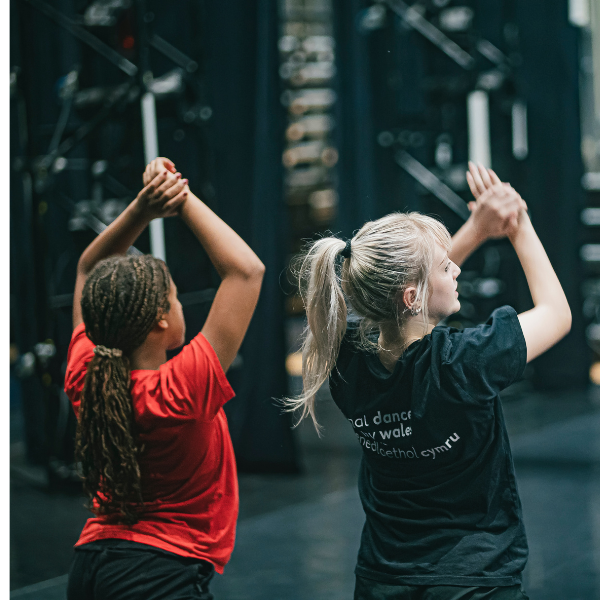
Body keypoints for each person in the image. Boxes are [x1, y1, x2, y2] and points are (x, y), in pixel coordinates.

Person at [287, 163, 571, 600]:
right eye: (446, 267)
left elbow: (404, 285)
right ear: (412, 295)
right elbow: (557, 313)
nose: (456, 270)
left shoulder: (344, 362)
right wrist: (519, 223)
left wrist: (476, 228)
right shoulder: (464, 363)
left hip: (383, 579)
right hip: (473, 580)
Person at [65, 157, 265, 600]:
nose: (180, 307)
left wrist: (143, 207)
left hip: (91, 566)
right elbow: (246, 271)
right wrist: (177, 194)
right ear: (159, 320)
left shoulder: (87, 374)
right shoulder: (180, 389)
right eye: (174, 298)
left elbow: (86, 269)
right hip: (158, 576)